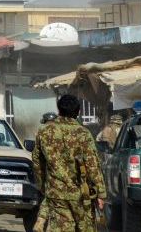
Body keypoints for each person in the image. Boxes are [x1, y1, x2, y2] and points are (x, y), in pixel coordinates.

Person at [35, 94, 106, 232]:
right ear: (78, 112)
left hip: (56, 193)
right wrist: (100, 193)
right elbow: (93, 165)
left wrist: (43, 185)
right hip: (81, 195)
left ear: (59, 110)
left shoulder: (44, 131)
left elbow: (37, 162)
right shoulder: (84, 133)